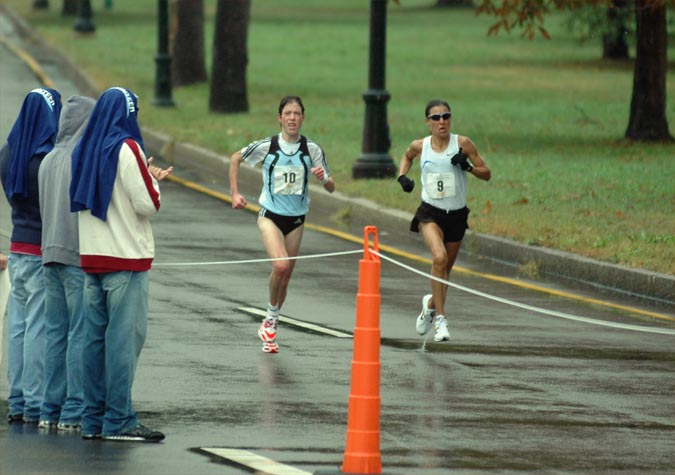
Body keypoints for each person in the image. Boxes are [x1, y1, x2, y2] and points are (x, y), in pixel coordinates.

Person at [69, 87, 172, 442]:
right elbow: (147, 204)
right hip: (125, 259)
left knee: (93, 342)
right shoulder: (127, 148)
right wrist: (154, 181)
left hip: (92, 258)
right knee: (123, 344)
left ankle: (92, 419)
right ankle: (118, 420)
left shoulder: (85, 147)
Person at [229, 95, 335, 354]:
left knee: (286, 276)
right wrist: (235, 193)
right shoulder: (268, 146)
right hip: (270, 215)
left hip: (297, 220)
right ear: (279, 117)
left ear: (302, 118)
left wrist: (324, 179)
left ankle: (271, 321)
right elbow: (235, 159)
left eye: (297, 113)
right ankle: (270, 317)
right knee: (280, 264)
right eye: (287, 113)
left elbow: (332, 187)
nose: (292, 118)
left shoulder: (312, 149)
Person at [397, 99, 491, 342]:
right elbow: (406, 158)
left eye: (446, 116)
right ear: (427, 122)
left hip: (457, 215)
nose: (442, 121)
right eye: (436, 118)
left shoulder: (463, 143)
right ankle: (441, 320)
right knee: (438, 258)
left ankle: (430, 303)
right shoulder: (420, 146)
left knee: (444, 272)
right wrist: (402, 177)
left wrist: (467, 167)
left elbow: (487, 173)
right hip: (430, 213)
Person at [0, 87, 62, 424]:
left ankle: (18, 398)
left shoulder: (9, 152)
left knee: (18, 328)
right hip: (41, 248)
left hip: (17, 245)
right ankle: (37, 401)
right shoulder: (46, 157)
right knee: (40, 327)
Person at [37, 95, 96, 432]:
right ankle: (74, 408)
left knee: (55, 333)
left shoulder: (48, 160)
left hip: (49, 254)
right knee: (78, 332)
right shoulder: (80, 158)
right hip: (75, 253)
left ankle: (50, 407)